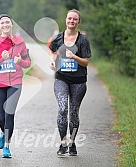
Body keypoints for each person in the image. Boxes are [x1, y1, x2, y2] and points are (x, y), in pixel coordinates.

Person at [0, 12, 31, 158]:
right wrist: (0, 59)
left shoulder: (20, 42)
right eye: (2, 23)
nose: (5, 25)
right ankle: (4, 132)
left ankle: (7, 146)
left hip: (15, 82)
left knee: (9, 113)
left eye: (7, 23)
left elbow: (27, 62)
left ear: (11, 24)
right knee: (1, 117)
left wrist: (20, 62)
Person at [49, 9, 91, 156]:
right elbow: (52, 51)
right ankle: (63, 143)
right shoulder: (58, 38)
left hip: (79, 81)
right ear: (66, 20)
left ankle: (72, 143)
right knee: (62, 109)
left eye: (75, 19)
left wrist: (73, 56)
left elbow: (86, 62)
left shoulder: (83, 40)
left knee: (73, 112)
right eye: (69, 18)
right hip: (61, 78)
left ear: (78, 22)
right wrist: (52, 61)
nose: (71, 21)